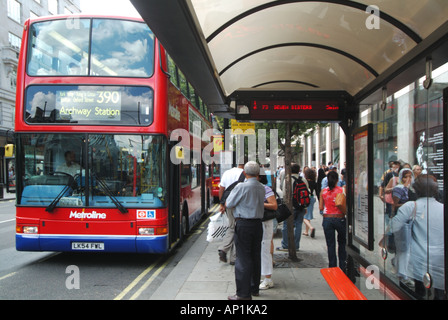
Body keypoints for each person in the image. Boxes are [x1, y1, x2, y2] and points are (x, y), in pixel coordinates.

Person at [390, 175, 445, 300]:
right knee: (439, 292)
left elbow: (394, 227)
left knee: (418, 292)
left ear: (415, 190)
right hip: (440, 261)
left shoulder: (410, 207)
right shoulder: (443, 209)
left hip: (418, 259)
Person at [225, 161, 266, 300]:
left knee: (243, 258)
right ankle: (254, 288)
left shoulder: (241, 186)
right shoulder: (261, 187)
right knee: (255, 256)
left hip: (243, 224)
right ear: (258, 174)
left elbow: (229, 203)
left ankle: (243, 294)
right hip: (257, 225)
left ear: (244, 173)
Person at [390, 168, 416, 288]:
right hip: (401, 220)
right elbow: (394, 205)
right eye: (405, 177)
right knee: (403, 248)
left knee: (405, 247)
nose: (408, 179)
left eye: (410, 176)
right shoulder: (399, 189)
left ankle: (401, 269)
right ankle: (403, 274)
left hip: (408, 219)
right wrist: (409, 205)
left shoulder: (407, 189)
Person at [319, 170, 346, 271]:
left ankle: (332, 267)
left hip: (327, 219)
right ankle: (343, 266)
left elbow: (321, 207)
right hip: (340, 218)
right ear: (337, 180)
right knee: (342, 243)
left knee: (330, 244)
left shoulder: (323, 191)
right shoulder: (341, 190)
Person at [278, 163, 309, 251]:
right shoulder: (303, 179)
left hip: (290, 206)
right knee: (298, 225)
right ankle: (296, 245)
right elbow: (306, 192)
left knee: (286, 225)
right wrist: (305, 207)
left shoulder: (288, 179)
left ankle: (286, 245)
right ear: (299, 170)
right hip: (301, 206)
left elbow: (284, 193)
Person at [218, 163, 244, 265]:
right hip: (240, 204)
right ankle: (226, 250)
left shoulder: (227, 173)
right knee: (235, 228)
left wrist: (222, 203)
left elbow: (222, 189)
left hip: (228, 203)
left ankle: (233, 257)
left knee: (233, 226)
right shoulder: (245, 173)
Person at [258, 174, 277, 290]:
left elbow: (274, 205)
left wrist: (260, 204)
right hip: (257, 222)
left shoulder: (265, 189)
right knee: (260, 249)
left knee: (265, 249)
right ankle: (264, 276)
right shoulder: (250, 187)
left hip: (265, 221)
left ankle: (268, 279)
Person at [303, 167, 316, 238]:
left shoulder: (305, 181)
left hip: (306, 198)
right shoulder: (314, 182)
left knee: (303, 216)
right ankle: (306, 231)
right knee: (308, 215)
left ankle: (311, 227)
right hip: (312, 198)